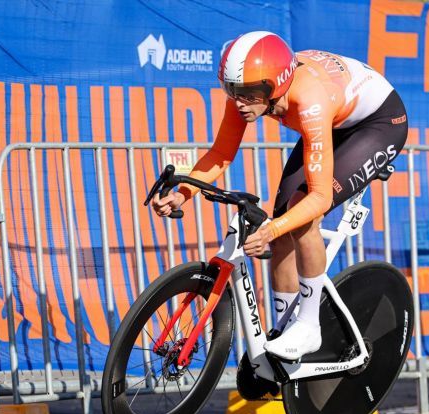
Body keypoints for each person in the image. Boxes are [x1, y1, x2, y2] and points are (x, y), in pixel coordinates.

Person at [151, 31, 408, 360]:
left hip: (378, 123)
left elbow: (319, 199)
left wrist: (271, 228)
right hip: (334, 117)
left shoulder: (308, 100)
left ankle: (309, 327)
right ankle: (287, 335)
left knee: (300, 214)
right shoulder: (254, 90)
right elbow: (220, 153)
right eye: (232, 92)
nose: (239, 102)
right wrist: (184, 192)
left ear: (276, 85)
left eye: (247, 94)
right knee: (283, 225)